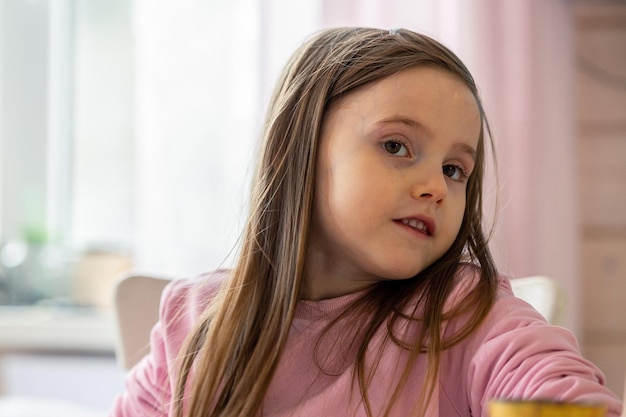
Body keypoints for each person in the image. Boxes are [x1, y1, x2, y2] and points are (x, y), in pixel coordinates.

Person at [109, 27, 622, 417]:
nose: (436, 187)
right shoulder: (193, 319)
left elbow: (553, 382)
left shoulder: (467, 314)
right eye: (396, 146)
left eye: (454, 169)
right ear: (298, 150)